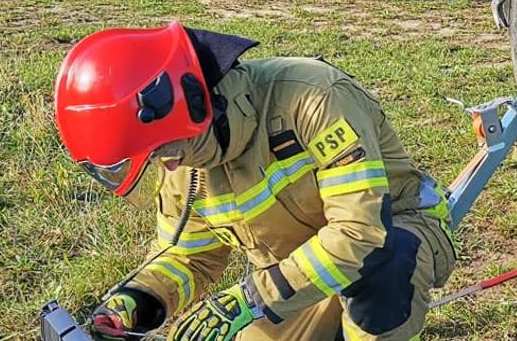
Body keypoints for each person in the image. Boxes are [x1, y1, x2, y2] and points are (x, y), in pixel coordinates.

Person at [53, 22, 455, 341]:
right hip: (296, 276)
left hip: (396, 235)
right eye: (155, 156)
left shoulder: (312, 97)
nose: (167, 166)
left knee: (383, 269)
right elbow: (189, 256)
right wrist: (138, 299)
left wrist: (252, 297)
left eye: (163, 151)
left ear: (191, 106)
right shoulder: (182, 156)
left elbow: (361, 233)